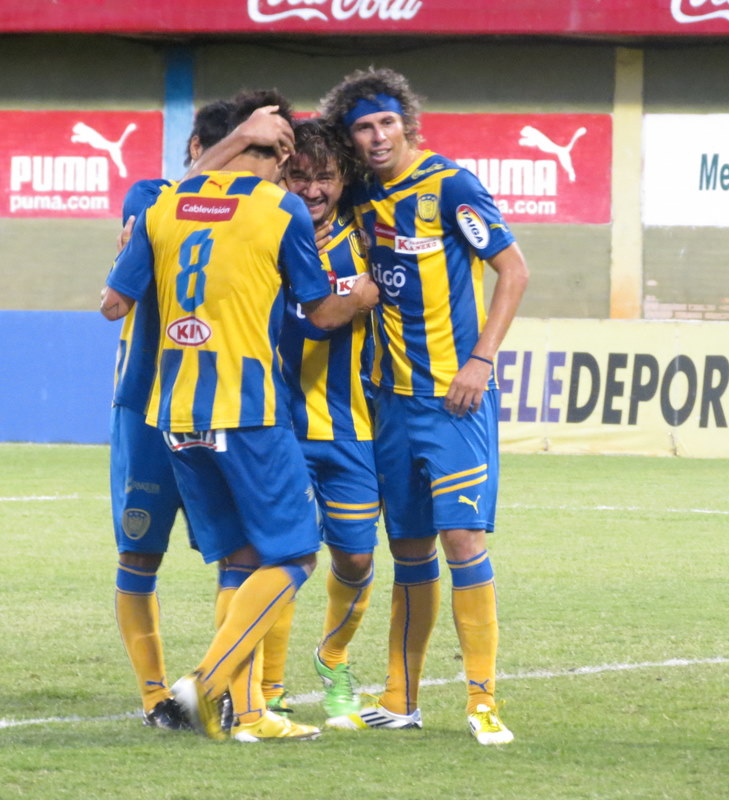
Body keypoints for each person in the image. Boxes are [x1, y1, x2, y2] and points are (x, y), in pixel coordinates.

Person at [100, 89, 379, 743]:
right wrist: (363, 294)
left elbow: (112, 304)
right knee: (295, 555)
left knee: (243, 556)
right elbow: (317, 310)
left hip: (172, 412)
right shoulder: (277, 208)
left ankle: (248, 712)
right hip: (246, 408)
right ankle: (205, 685)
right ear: (278, 153)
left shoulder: (165, 205)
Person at [319, 67, 529, 745]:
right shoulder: (358, 195)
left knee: (463, 541)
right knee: (408, 550)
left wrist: (481, 360)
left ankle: (482, 701)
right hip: (388, 402)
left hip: (452, 400)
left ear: (406, 122)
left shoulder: (451, 186)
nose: (377, 136)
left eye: (386, 122)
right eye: (363, 126)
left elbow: (514, 270)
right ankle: (401, 698)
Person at [110, 100, 233, 731]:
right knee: (139, 553)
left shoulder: (264, 211)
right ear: (196, 149)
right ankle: (155, 695)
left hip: (223, 406)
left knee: (239, 554)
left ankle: (223, 683)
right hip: (146, 404)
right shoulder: (151, 196)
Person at [276, 118, 379, 719]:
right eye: (299, 176)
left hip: (350, 428)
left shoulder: (365, 239)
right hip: (275, 427)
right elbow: (309, 321)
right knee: (278, 560)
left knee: (356, 559)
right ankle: (267, 689)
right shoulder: (263, 233)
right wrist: (351, 301)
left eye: (326, 178)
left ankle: (333, 658)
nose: (312, 190)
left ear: (343, 180)